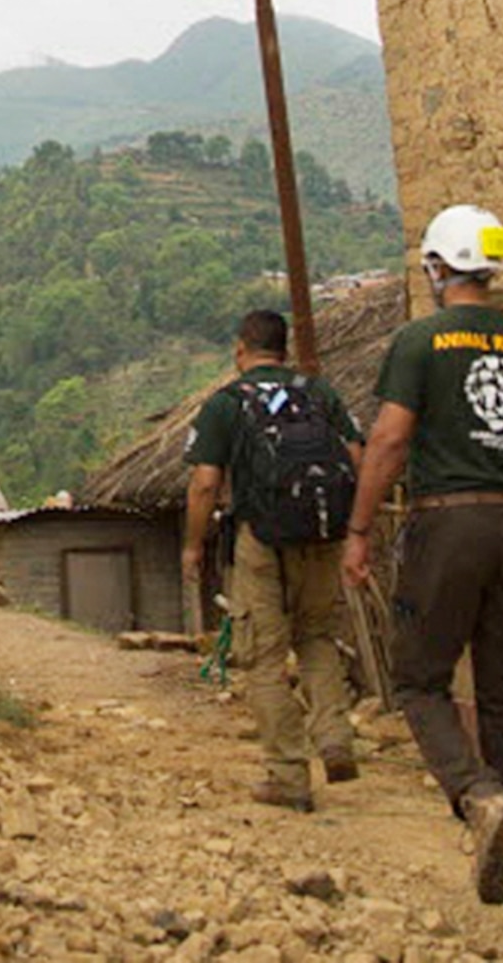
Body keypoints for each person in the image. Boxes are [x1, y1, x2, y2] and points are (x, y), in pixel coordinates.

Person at [344, 203, 503, 906]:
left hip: (447, 524)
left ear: (436, 267)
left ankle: (482, 799)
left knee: (421, 680)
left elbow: (391, 441)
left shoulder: (420, 342)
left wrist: (359, 529)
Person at [181, 306, 366, 811]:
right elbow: (356, 458)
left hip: (260, 538)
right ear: (282, 349)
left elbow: (204, 484)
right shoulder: (320, 394)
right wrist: (351, 526)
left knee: (263, 656)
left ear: (241, 350)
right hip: (322, 535)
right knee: (317, 637)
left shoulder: (226, 404)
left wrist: (193, 545)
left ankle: (288, 774)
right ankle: (334, 740)